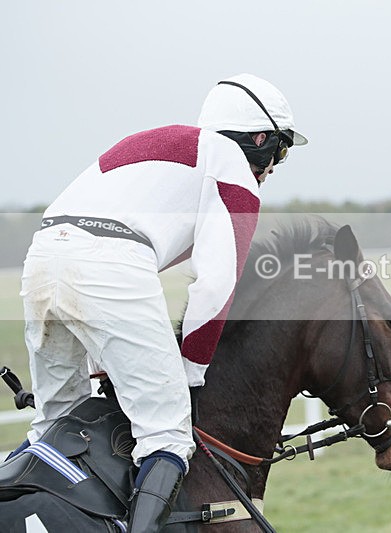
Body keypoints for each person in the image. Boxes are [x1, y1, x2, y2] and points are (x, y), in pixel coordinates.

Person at [14, 73, 307, 532]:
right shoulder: (230, 164)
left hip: (42, 258)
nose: (272, 168)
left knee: (57, 422)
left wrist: (103, 363)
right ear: (259, 139)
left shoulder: (158, 144)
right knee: (167, 434)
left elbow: (89, 266)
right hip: (108, 264)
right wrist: (190, 377)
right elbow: (215, 286)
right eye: (280, 151)